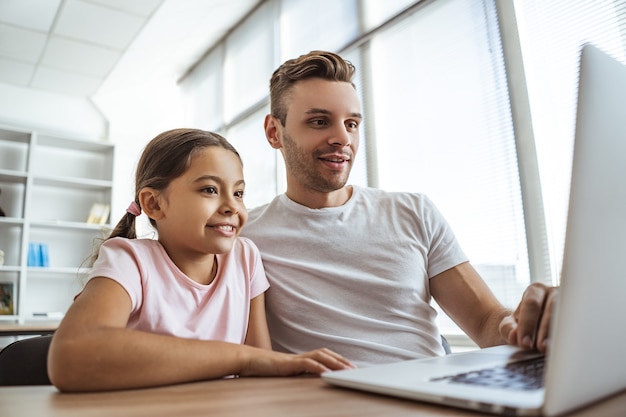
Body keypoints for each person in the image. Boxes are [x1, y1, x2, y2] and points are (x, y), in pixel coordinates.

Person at [241, 51, 556, 368]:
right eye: (319, 122)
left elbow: (486, 321)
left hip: (430, 398)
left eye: (351, 123)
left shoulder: (413, 212)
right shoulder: (245, 237)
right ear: (273, 132)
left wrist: (528, 324)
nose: (342, 138)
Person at [48, 128, 354, 392]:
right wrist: (240, 358)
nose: (231, 206)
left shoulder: (245, 257)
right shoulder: (130, 260)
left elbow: (261, 366)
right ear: (154, 204)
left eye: (238, 193)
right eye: (209, 189)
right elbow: (71, 356)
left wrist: (257, 362)